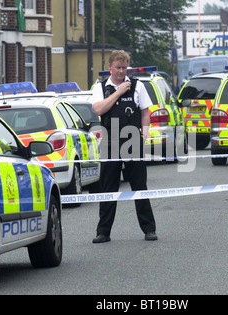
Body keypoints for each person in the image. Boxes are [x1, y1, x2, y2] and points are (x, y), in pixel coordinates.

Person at [90, 50, 157, 243]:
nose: (121, 71)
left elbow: (145, 112)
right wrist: (118, 92)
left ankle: (149, 229)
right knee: (108, 187)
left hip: (132, 139)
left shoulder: (138, 85)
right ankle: (103, 232)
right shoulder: (101, 87)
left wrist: (144, 134)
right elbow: (99, 109)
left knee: (139, 186)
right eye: (118, 67)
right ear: (110, 67)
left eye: (124, 67)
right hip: (110, 140)